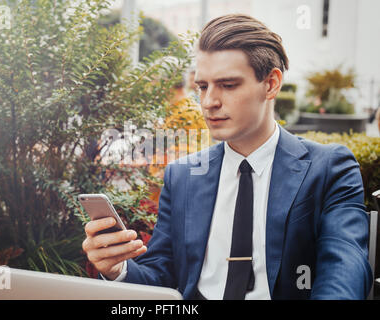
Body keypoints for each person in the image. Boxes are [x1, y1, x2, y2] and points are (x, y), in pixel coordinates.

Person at [82, 14, 372, 300]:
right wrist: (118, 267)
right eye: (202, 87)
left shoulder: (329, 168)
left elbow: (345, 269)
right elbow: (161, 279)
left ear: (271, 84)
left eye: (228, 85)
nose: (209, 102)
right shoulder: (182, 176)